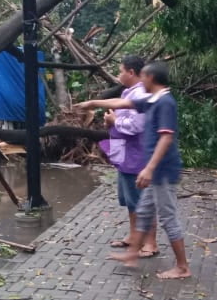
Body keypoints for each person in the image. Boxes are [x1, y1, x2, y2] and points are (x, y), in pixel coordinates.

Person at [76, 61, 190, 279]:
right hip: (155, 171)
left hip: (163, 171)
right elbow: (123, 102)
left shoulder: (165, 102)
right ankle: (131, 254)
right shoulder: (152, 100)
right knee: (144, 211)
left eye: (144, 77)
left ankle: (183, 267)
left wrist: (149, 168)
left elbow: (166, 138)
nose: (140, 81)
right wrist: (92, 103)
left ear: (151, 79)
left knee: (168, 217)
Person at [98, 55, 159, 258]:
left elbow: (136, 125)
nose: (118, 75)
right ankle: (134, 236)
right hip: (126, 156)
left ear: (131, 72)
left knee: (142, 199)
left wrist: (114, 121)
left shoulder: (142, 95)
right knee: (131, 200)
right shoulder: (128, 93)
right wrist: (111, 121)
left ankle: (150, 243)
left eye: (120, 70)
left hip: (138, 156)